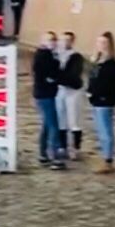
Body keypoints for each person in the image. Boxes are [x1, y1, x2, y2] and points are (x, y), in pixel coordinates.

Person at [87, 32, 115, 174]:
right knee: (100, 130)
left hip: (105, 100)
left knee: (106, 131)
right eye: (99, 42)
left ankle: (108, 161)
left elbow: (109, 84)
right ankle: (105, 157)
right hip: (96, 100)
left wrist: (95, 92)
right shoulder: (98, 61)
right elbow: (92, 79)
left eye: (104, 43)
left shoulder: (113, 64)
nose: (100, 45)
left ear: (109, 45)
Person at [32, 31, 65, 170]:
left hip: (45, 93)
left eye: (54, 40)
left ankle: (43, 154)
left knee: (47, 124)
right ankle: (55, 156)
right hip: (45, 94)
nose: (53, 42)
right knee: (53, 125)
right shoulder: (44, 56)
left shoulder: (47, 55)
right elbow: (50, 74)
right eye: (50, 40)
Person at [55, 31, 85, 160]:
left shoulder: (76, 57)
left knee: (74, 120)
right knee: (61, 119)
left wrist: (57, 77)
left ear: (72, 42)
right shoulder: (56, 55)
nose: (64, 43)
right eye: (62, 40)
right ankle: (62, 146)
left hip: (73, 91)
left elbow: (73, 75)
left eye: (68, 40)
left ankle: (76, 148)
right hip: (60, 90)